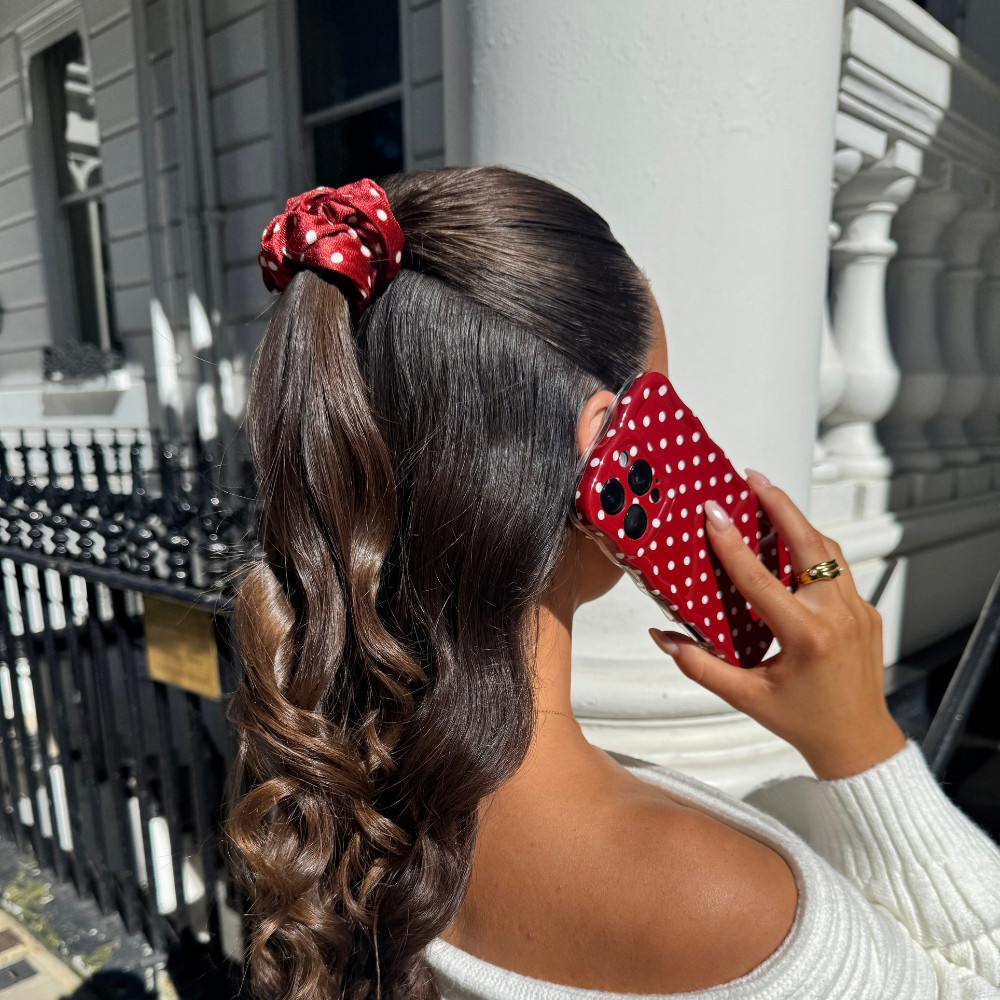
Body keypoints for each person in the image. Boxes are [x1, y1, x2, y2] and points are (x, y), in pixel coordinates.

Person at [227, 167, 1000, 1000]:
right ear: (604, 446)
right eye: (664, 397)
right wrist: (864, 748)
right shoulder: (724, 903)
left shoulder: (343, 796)